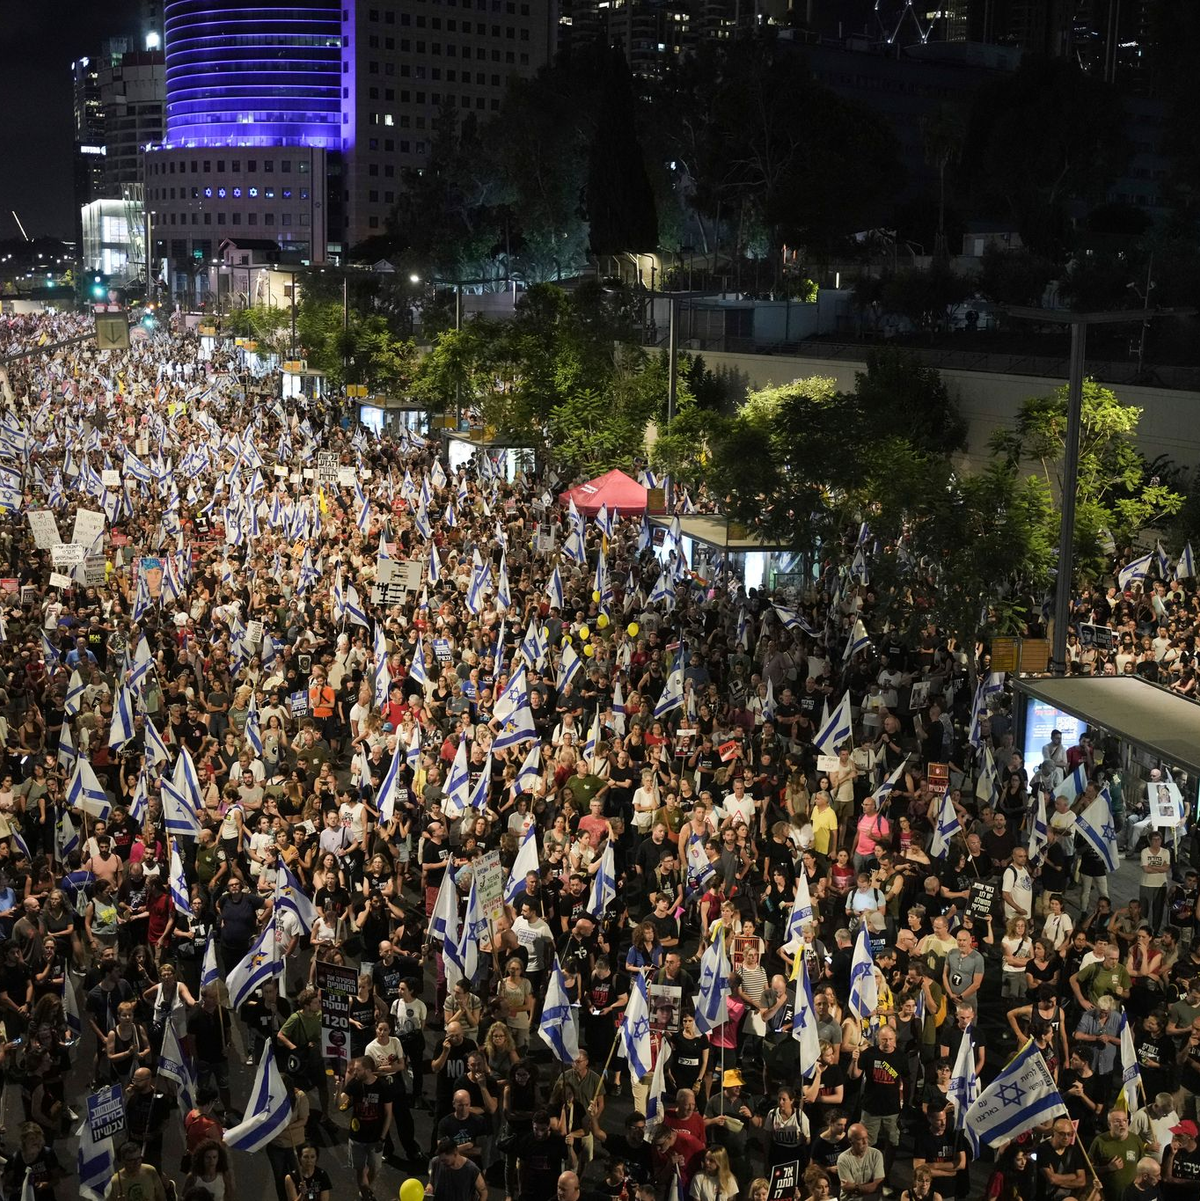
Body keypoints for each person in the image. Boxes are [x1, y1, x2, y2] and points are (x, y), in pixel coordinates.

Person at [338, 1056, 394, 1201]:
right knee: (360, 1169)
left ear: (368, 1071)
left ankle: (365, 1190)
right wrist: (338, 1089)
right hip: (357, 1137)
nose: (354, 1072)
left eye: (358, 1070)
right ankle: (365, 1194)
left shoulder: (383, 1087)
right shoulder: (355, 1084)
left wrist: (382, 1137)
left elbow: (388, 1114)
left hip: (375, 1138)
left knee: (375, 1168)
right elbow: (339, 1104)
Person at [836, 1123, 885, 1198]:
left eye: (866, 1137)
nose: (865, 1142)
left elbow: (878, 1185)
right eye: (860, 1139)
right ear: (851, 1141)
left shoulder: (876, 1154)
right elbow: (848, 1190)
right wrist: (871, 1186)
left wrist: (855, 1187)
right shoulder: (843, 1159)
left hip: (873, 1197)